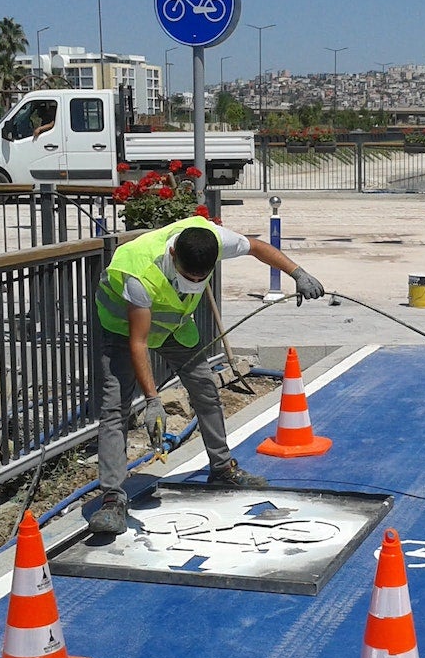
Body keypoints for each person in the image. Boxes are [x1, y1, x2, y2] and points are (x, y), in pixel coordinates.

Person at [89, 216, 326, 535]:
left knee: (205, 390)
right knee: (114, 409)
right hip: (123, 326)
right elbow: (139, 342)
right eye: (188, 277)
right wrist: (153, 401)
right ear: (173, 255)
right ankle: (112, 501)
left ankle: (222, 469)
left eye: (201, 277)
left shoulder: (214, 239)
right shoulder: (138, 272)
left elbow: (256, 247)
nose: (195, 283)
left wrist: (297, 272)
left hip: (173, 327)